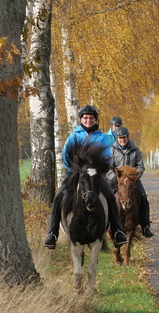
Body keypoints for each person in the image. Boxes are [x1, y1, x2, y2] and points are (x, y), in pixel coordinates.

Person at [44, 105, 128, 249]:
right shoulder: (74, 136)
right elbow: (66, 157)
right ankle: (52, 233)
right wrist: (75, 169)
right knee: (59, 196)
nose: (88, 120)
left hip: (95, 175)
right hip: (76, 174)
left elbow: (107, 158)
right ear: (81, 119)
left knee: (110, 195)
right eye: (85, 118)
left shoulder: (101, 138)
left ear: (95, 120)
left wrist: (101, 171)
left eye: (91, 118)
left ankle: (117, 231)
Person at [106, 126, 155, 238]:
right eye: (120, 138)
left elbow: (140, 167)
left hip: (132, 181)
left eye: (124, 137)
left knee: (143, 197)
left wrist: (135, 178)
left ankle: (145, 226)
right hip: (117, 180)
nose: (122, 140)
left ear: (127, 137)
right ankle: (105, 224)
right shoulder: (112, 150)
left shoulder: (135, 150)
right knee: (105, 196)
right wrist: (115, 177)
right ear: (117, 139)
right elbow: (109, 168)